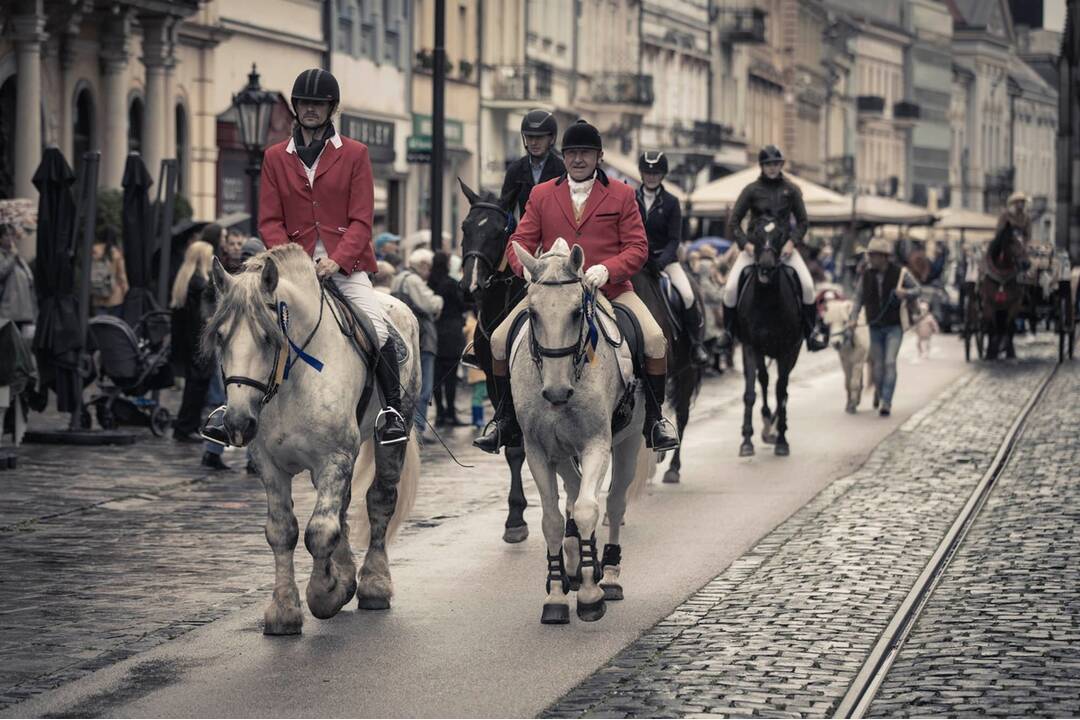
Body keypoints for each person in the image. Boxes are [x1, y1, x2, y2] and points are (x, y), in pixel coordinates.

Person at [202, 67, 408, 446]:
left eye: (319, 104)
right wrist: (294, 261)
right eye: (305, 103)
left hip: (345, 267)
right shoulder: (276, 157)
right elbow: (269, 220)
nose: (311, 109)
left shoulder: (356, 155)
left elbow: (362, 220)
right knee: (242, 325)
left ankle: (391, 410)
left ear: (331, 108)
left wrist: (337, 260)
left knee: (378, 329)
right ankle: (224, 409)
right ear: (295, 107)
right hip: (290, 270)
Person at [477, 119, 679, 454]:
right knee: (498, 340)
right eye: (571, 153)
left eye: (585, 153)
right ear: (564, 155)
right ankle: (505, 419)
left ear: (599, 156)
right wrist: (528, 270)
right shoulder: (543, 194)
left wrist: (608, 268)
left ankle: (656, 420)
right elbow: (519, 241)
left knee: (656, 339)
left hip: (611, 290)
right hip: (553, 291)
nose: (578, 159)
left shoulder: (622, 193)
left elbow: (638, 247)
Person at [718, 145, 827, 352]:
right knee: (730, 288)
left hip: (784, 250)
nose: (772, 168)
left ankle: (811, 333)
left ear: (781, 165)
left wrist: (792, 242)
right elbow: (734, 222)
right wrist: (745, 244)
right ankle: (729, 333)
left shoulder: (791, 190)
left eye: (776, 164)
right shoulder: (751, 190)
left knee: (808, 286)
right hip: (754, 249)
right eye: (768, 164)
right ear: (762, 166)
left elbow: (803, 222)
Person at [636, 151, 709, 365]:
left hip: (664, 262)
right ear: (641, 173)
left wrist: (662, 260)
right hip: (636, 260)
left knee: (687, 295)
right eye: (647, 172)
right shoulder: (630, 198)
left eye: (656, 172)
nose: (651, 176)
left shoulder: (671, 202)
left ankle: (696, 344)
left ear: (663, 174)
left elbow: (674, 240)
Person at [169, 241, 229, 469]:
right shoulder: (199, 283)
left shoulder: (184, 281)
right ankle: (189, 429)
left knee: (193, 390)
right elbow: (204, 318)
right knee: (205, 392)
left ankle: (185, 427)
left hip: (187, 344)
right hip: (200, 344)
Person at [846, 237, 920, 417]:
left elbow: (918, 289)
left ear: (885, 257)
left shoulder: (901, 273)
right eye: (870, 255)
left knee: (890, 362)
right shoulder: (866, 275)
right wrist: (853, 318)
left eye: (874, 256)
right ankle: (880, 392)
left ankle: (886, 401)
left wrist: (906, 293)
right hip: (875, 326)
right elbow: (858, 298)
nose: (870, 259)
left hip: (894, 326)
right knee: (877, 367)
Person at [391, 247, 444, 433]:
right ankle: (418, 428)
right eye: (428, 268)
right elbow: (430, 304)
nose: (429, 272)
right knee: (423, 386)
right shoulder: (413, 281)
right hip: (423, 339)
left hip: (402, 338)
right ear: (422, 265)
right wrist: (439, 300)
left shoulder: (398, 279)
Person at [501, 109, 567, 218]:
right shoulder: (515, 170)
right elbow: (505, 211)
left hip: (555, 233)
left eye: (540, 137)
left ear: (552, 138)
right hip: (525, 232)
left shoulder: (562, 170)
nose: (534, 142)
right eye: (530, 137)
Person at [429, 251, 468, 427]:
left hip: (434, 332)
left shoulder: (429, 283)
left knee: (436, 377)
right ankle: (451, 412)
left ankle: (439, 413)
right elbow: (463, 304)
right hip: (452, 332)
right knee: (450, 376)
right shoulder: (452, 284)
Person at [0, 222, 37, 341]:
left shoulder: (18, 257)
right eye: (7, 235)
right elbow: (2, 272)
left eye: (12, 235)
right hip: (8, 310)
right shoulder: (6, 255)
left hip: (23, 310)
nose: (11, 238)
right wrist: (12, 255)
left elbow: (29, 279)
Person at [90, 225, 129, 317]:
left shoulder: (93, 250)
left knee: (99, 325)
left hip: (97, 295)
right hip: (115, 297)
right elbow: (121, 276)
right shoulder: (116, 253)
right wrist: (126, 291)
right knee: (113, 325)